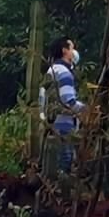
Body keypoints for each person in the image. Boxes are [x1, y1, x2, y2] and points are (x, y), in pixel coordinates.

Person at [39, 37, 85, 172]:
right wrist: (88, 109)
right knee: (64, 164)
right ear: (64, 51)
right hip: (63, 126)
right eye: (71, 48)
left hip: (51, 124)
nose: (74, 52)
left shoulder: (52, 70)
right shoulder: (64, 73)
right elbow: (68, 102)